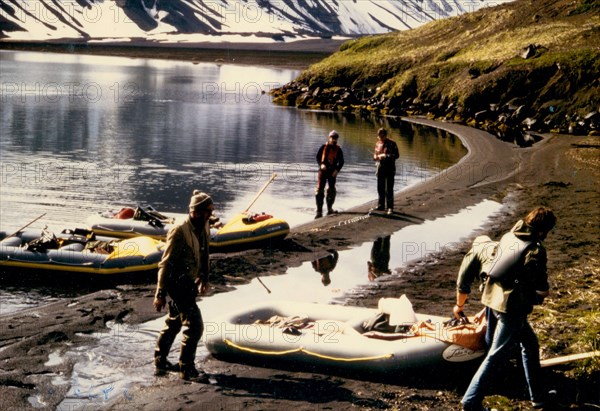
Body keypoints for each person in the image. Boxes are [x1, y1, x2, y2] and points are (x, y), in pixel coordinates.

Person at [456, 206, 557, 411]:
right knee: (497, 355)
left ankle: (537, 397)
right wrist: (543, 292)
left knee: (530, 345)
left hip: (492, 301)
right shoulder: (535, 250)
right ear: (542, 231)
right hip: (511, 309)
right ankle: (470, 401)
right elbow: (539, 285)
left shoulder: (509, 236)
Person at [152, 190, 215, 382]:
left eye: (211, 211)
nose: (210, 215)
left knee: (175, 320)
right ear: (195, 212)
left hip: (189, 282)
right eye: (207, 212)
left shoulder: (203, 225)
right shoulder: (179, 231)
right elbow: (166, 263)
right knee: (195, 326)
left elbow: (204, 252)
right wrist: (160, 293)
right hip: (176, 283)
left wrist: (204, 276)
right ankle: (186, 369)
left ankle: (160, 360)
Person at [315, 130, 344, 218]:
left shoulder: (338, 149)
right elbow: (317, 157)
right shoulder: (323, 147)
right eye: (332, 138)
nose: (333, 140)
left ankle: (329, 209)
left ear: (337, 139)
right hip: (323, 171)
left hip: (332, 173)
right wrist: (321, 165)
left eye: (335, 138)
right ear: (329, 138)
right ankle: (319, 210)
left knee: (331, 190)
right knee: (320, 189)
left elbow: (342, 162)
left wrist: (337, 170)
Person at [371, 128, 399, 215]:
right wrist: (375, 157)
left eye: (382, 136)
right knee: (380, 188)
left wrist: (385, 155)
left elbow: (397, 155)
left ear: (386, 135)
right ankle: (381, 205)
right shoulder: (378, 143)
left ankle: (390, 207)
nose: (380, 137)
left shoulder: (392, 143)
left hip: (390, 168)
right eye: (379, 136)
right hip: (380, 168)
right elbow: (375, 154)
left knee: (389, 189)